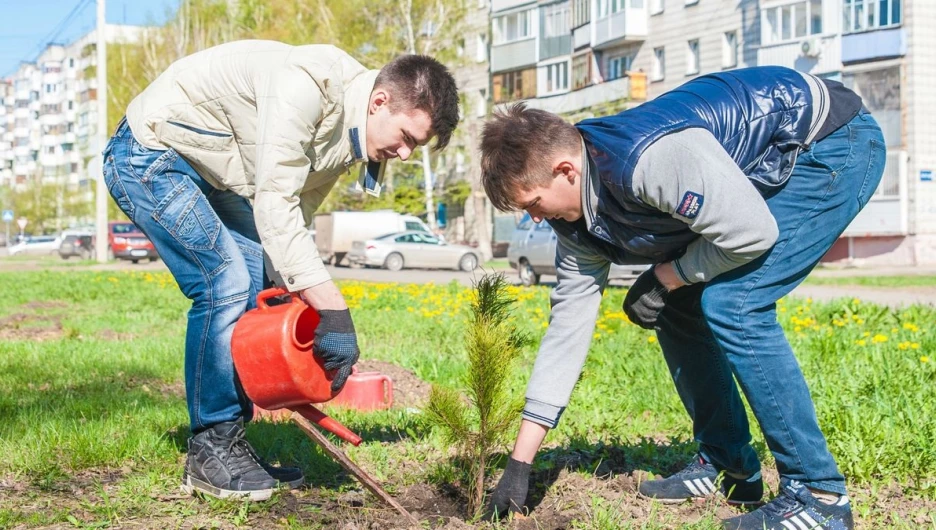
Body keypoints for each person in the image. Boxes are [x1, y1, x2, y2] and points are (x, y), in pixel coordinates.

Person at [480, 66, 884, 529]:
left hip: (830, 143)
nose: (533, 219)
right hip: (772, 163)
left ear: (565, 170)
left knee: (735, 303)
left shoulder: (647, 161)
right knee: (675, 307)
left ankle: (819, 497)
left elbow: (751, 233)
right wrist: (520, 464)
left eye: (532, 203)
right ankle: (729, 465)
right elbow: (566, 331)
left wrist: (670, 274)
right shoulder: (574, 222)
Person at [103, 40, 459, 501]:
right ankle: (211, 446)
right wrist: (334, 311)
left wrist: (291, 309)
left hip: (211, 172)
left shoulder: (352, 138)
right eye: (408, 137)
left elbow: (297, 216)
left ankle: (229, 442)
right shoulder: (308, 85)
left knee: (254, 282)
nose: (407, 154)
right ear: (379, 102)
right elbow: (273, 202)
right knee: (225, 283)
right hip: (149, 153)